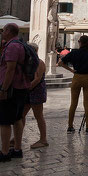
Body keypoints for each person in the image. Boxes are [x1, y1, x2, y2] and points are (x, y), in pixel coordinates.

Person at [0, 23, 31, 161]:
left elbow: (10, 69)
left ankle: (5, 152)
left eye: (4, 30)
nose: (2, 32)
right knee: (18, 118)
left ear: (9, 31)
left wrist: (3, 89)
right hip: (21, 87)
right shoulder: (21, 44)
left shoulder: (12, 46)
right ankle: (17, 149)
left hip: (12, 88)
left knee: (5, 121)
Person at [58, 35, 88, 135]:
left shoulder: (74, 52)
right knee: (87, 103)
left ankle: (70, 127)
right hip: (87, 78)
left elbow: (60, 63)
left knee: (73, 103)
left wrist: (71, 70)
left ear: (80, 42)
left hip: (76, 77)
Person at [22, 43, 48, 149]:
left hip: (36, 91)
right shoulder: (28, 62)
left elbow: (37, 79)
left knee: (38, 116)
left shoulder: (39, 62)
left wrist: (27, 88)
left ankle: (43, 139)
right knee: (21, 115)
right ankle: (16, 137)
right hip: (28, 91)